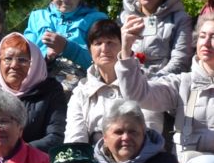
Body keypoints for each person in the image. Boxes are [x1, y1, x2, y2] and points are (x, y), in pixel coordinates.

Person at [142, 14, 214, 163]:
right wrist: (126, 56)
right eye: (202, 36)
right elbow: (140, 94)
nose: (206, 43)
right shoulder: (182, 83)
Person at [66, 19, 154, 147]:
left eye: (110, 42)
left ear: (122, 46)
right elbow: (74, 139)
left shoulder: (142, 84)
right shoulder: (81, 92)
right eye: (98, 43)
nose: (104, 49)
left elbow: (150, 129)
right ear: (90, 50)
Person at [24, 0, 105, 76]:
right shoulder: (37, 17)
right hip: (40, 82)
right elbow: (24, 54)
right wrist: (46, 55)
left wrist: (67, 47)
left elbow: (104, 62)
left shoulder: (96, 19)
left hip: (83, 85)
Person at [118, 0, 193, 79]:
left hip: (164, 85)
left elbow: (180, 61)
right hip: (129, 81)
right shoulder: (124, 18)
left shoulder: (180, 19)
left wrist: (149, 81)